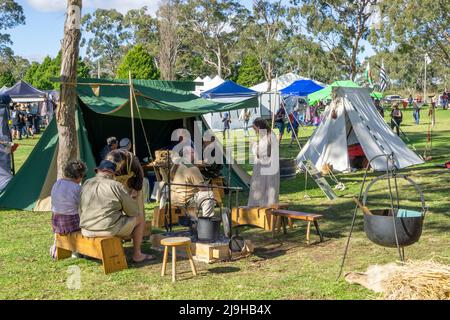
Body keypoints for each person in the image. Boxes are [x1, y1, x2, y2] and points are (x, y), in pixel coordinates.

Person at [79, 160, 154, 263]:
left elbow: (80, 208)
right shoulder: (116, 186)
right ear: (112, 173)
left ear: (98, 171)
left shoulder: (86, 183)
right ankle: (137, 254)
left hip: (86, 229)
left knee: (117, 219)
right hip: (107, 229)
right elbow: (132, 212)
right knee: (140, 218)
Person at [49, 160, 87, 258]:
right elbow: (83, 205)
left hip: (56, 220)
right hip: (71, 221)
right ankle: (77, 250)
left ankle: (57, 247)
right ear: (79, 176)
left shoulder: (57, 183)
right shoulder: (76, 188)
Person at [166, 146, 216, 218]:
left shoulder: (177, 165)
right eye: (193, 152)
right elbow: (202, 189)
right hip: (185, 201)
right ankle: (206, 220)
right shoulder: (192, 168)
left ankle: (197, 219)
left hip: (174, 198)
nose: (196, 154)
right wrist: (209, 188)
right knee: (209, 194)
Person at [248, 118, 280, 207]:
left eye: (255, 128)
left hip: (267, 168)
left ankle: (265, 206)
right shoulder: (268, 135)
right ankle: (264, 205)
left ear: (259, 127)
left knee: (266, 188)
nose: (254, 131)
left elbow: (261, 152)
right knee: (264, 187)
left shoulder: (269, 136)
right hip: (266, 166)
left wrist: (254, 145)